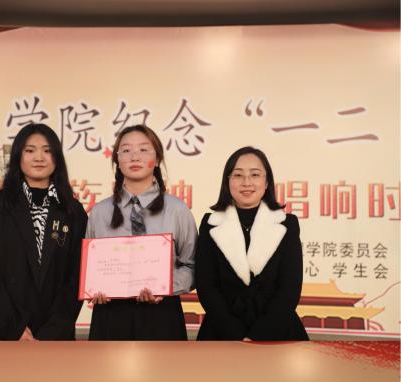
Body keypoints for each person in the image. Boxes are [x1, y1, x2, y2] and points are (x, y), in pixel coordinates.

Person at [0, 123, 87, 340]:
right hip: (2, 334)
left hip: (54, 337)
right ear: (18, 156)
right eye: (30, 150)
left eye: (47, 150)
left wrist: (52, 332)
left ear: (57, 157)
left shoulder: (72, 211)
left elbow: (76, 278)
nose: (39, 158)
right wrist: (16, 330)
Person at [86, 124, 197, 339]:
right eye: (126, 150)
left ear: (157, 159)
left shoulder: (177, 210)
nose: (135, 156)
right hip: (110, 316)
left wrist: (165, 287)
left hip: (162, 314)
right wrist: (93, 288)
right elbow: (89, 268)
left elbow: (192, 265)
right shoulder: (99, 212)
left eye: (144, 149)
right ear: (117, 160)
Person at [195, 147, 308, 340]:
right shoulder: (210, 223)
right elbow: (206, 286)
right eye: (238, 175)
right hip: (222, 331)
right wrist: (236, 334)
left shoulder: (287, 223)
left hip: (277, 330)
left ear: (266, 182)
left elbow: (289, 289)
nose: (246, 182)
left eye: (255, 174)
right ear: (228, 181)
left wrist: (258, 335)